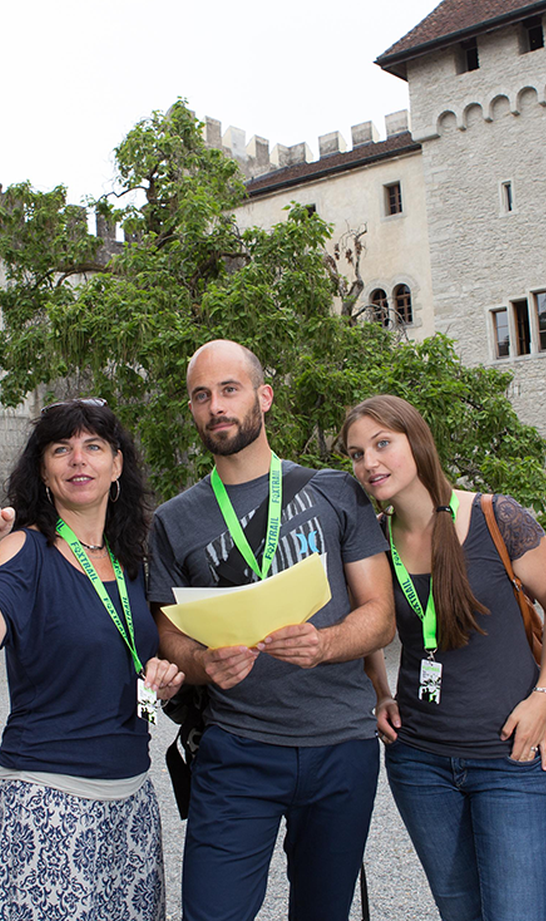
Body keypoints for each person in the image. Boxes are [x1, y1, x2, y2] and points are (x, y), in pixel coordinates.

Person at [147, 339, 394, 921]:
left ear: (264, 397)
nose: (216, 406)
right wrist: (205, 665)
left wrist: (326, 643)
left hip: (341, 745)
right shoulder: (173, 519)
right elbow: (167, 631)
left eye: (229, 390)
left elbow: (379, 613)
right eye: (201, 396)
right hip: (237, 749)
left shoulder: (335, 490)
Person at [0, 399, 184, 921]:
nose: (79, 460)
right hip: (48, 801)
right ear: (44, 471)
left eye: (93, 447)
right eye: (62, 449)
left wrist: (159, 681)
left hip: (133, 799)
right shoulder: (23, 550)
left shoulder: (133, 560)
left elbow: (133, 660)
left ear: (117, 464)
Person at [340, 394, 546, 921]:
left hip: (512, 759)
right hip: (419, 762)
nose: (369, 463)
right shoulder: (372, 541)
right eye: (356, 454)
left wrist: (545, 694)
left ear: (416, 442)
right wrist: (379, 693)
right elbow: (366, 625)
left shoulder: (496, 516)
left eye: (382, 444)